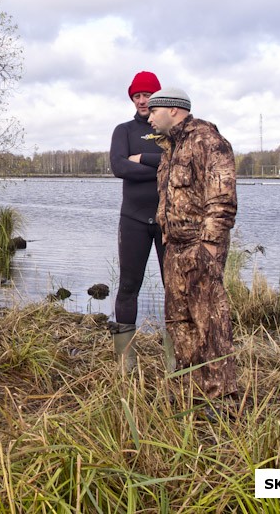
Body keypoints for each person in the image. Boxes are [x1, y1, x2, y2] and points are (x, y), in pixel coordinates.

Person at [147, 88, 238, 404]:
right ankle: (192, 391)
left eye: (152, 111)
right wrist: (167, 236)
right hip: (175, 248)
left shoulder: (208, 141)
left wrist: (209, 249)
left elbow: (222, 200)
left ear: (172, 109)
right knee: (180, 323)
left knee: (209, 323)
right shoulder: (171, 147)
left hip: (200, 248)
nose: (148, 117)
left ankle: (223, 398)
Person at [109, 71, 164, 372]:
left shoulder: (170, 130)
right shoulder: (124, 130)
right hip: (133, 218)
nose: (142, 100)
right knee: (129, 286)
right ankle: (125, 361)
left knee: (176, 288)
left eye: (148, 95)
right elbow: (118, 167)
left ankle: (174, 357)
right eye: (137, 95)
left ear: (158, 97)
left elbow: (180, 163)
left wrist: (140, 158)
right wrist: (161, 167)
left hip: (169, 219)